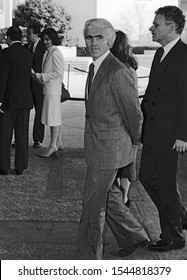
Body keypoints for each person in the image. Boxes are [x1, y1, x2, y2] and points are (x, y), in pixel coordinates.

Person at [76, 18, 150, 260]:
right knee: (110, 196)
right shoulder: (93, 67)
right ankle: (135, 236)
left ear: (109, 40)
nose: (93, 42)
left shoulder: (119, 70)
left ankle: (88, 260)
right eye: (89, 37)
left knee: (92, 206)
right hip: (99, 146)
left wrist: (132, 143)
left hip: (109, 151)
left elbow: (134, 114)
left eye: (99, 37)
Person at [139, 5, 187, 252]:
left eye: (156, 24)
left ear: (171, 27)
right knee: (145, 176)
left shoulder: (184, 55)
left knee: (167, 186)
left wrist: (182, 135)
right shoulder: (159, 54)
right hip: (153, 130)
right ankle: (180, 216)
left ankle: (173, 236)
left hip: (170, 134)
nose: (151, 28)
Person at [0, 26, 33, 175]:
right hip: (25, 99)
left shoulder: (6, 53)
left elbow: (3, 77)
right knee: (22, 134)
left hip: (8, 100)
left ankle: (4, 166)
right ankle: (20, 166)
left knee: (5, 134)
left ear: (9, 37)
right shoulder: (28, 54)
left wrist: (0, 99)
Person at [110, 30, 138, 206]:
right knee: (127, 164)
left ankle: (119, 195)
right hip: (126, 122)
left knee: (115, 163)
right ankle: (125, 196)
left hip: (116, 121)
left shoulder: (113, 67)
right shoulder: (130, 66)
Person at [32, 28, 64, 157]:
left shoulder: (55, 52)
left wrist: (41, 76)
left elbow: (58, 72)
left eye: (48, 39)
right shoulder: (50, 51)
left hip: (52, 90)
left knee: (53, 118)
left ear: (53, 39)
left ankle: (53, 145)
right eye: (44, 39)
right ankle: (58, 142)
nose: (45, 42)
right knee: (54, 117)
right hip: (49, 88)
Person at [27, 23, 46, 149]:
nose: (27, 35)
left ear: (36, 34)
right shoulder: (26, 46)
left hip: (39, 84)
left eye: (29, 33)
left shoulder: (44, 47)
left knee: (39, 113)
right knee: (24, 112)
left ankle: (37, 139)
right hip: (27, 85)